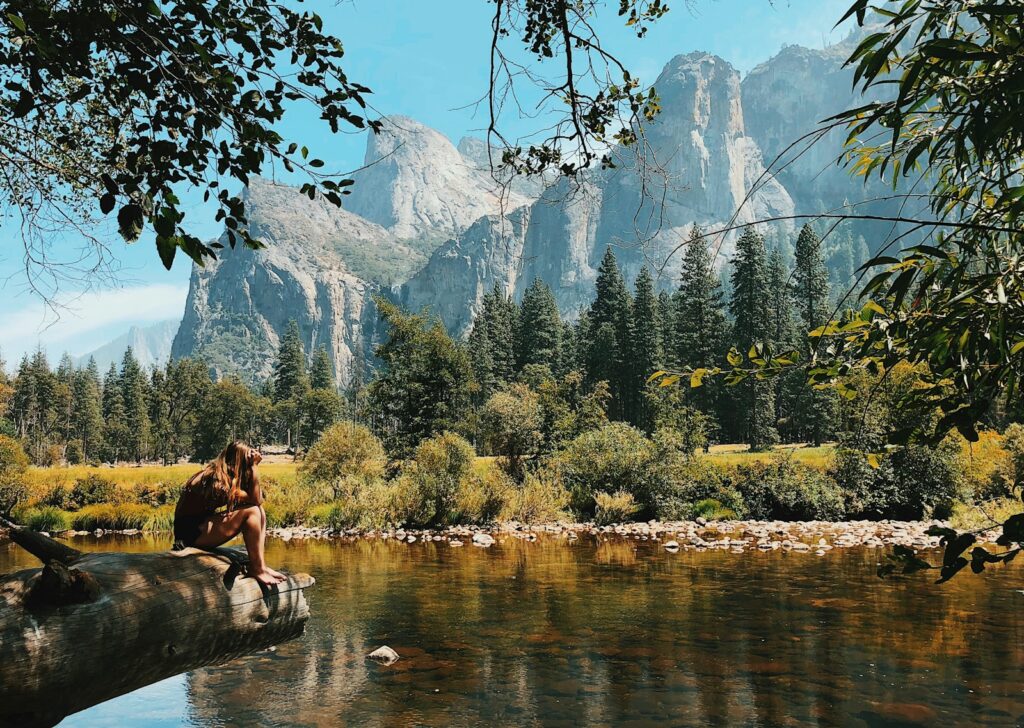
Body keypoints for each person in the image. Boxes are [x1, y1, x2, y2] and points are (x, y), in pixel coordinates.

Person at [173, 440, 286, 586]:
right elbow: (255, 499)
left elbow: (258, 501)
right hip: (188, 535)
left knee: (259, 511)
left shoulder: (225, 475)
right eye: (246, 462)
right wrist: (254, 467)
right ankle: (257, 568)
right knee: (252, 512)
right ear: (238, 461)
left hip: (200, 526)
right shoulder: (215, 479)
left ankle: (260, 565)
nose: (248, 466)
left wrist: (252, 468)